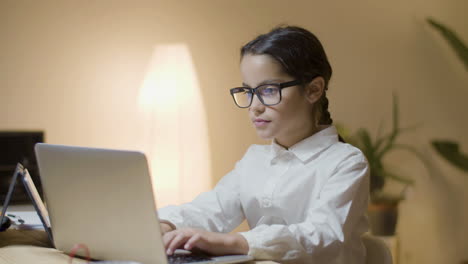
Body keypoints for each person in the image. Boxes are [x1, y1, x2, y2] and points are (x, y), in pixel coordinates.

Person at [157, 25, 369, 264]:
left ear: (313, 90)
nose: (254, 106)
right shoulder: (254, 160)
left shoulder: (346, 162)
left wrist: (231, 242)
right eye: (248, 91)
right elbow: (211, 208)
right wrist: (165, 225)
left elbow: (321, 236)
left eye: (268, 90)